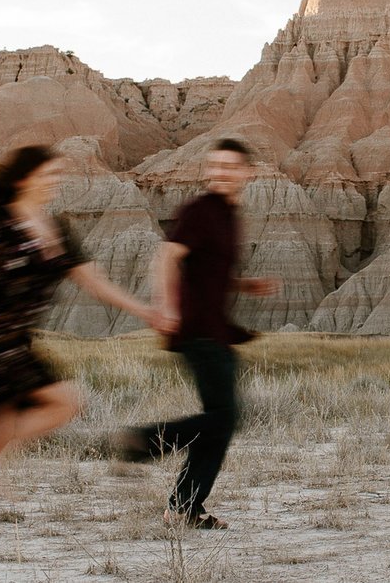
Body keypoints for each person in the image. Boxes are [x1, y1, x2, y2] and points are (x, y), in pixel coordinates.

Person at [0, 144, 163, 545]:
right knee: (61, 403)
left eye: (58, 174)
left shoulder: (56, 230)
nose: (55, 181)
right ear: (24, 178)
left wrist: (142, 310)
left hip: (16, 343)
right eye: (48, 174)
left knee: (54, 409)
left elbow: (94, 283)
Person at [113, 137, 278, 529]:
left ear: (247, 173)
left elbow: (208, 268)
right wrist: (166, 305)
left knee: (220, 421)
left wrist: (243, 285)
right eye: (215, 165)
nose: (221, 172)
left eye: (230, 166)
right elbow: (166, 256)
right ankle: (146, 441)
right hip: (197, 328)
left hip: (215, 329)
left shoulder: (228, 216)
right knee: (223, 419)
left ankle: (184, 507)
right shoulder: (200, 210)